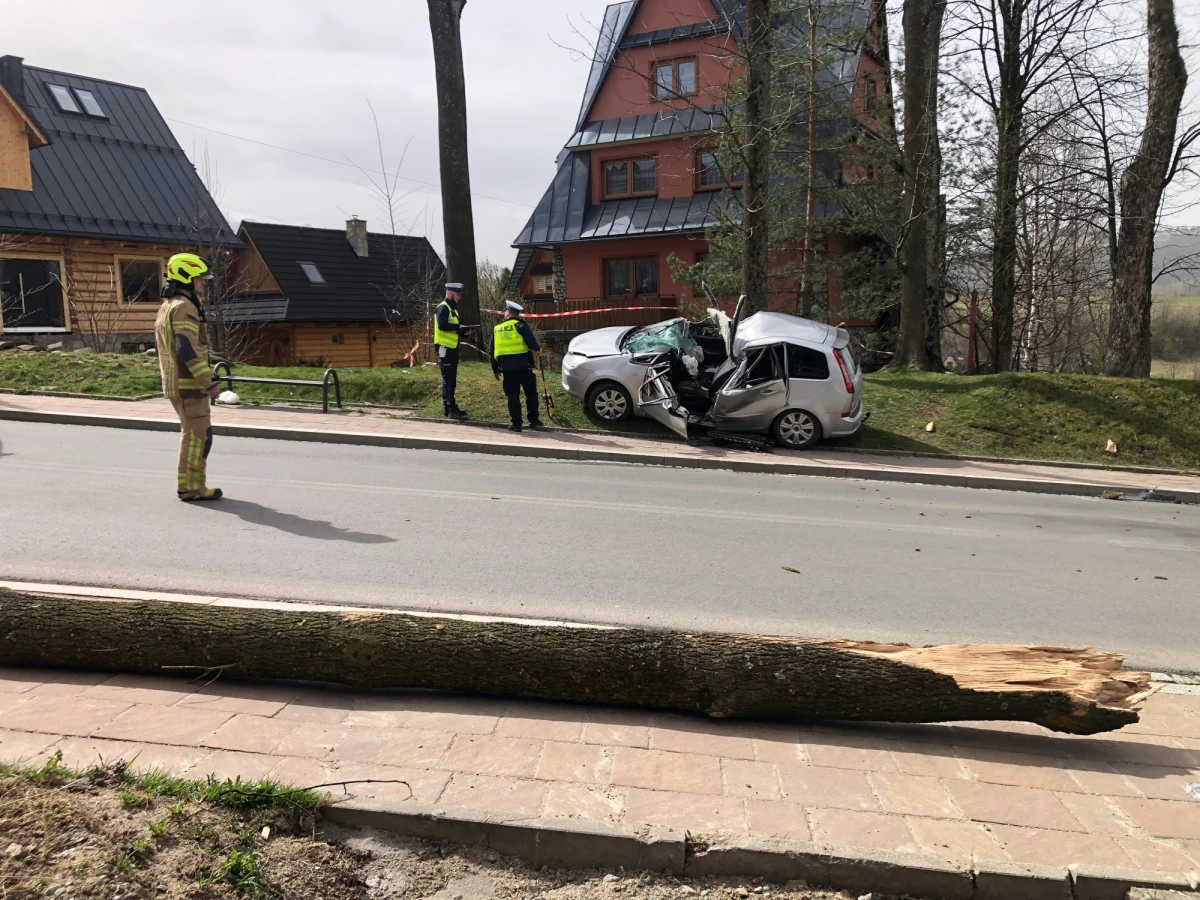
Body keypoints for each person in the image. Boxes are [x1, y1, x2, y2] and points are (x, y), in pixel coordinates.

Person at [154, 252, 222, 502]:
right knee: (197, 438)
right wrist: (208, 381)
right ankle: (192, 488)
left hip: (178, 384)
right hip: (189, 385)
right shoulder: (184, 307)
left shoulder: (169, 305)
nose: (204, 282)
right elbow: (186, 348)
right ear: (186, 278)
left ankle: (190, 486)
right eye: (200, 278)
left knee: (196, 435)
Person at [491, 299, 544, 432]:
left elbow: (492, 351)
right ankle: (533, 421)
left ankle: (516, 424)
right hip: (524, 367)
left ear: (508, 312)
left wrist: (495, 369)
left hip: (507, 370)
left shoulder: (497, 329)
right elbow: (531, 343)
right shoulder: (521, 326)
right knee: (531, 394)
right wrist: (538, 349)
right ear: (517, 314)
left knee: (513, 396)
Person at [434, 282, 469, 419]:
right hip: (444, 349)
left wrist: (463, 333)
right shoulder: (443, 307)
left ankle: (449, 408)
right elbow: (443, 325)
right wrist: (459, 326)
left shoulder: (452, 309)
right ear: (450, 293)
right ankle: (450, 409)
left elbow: (452, 329)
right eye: (457, 294)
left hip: (451, 348)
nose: (459, 297)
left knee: (450, 380)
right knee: (448, 380)